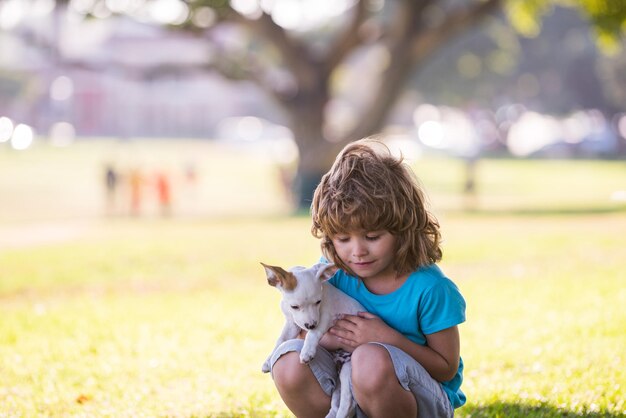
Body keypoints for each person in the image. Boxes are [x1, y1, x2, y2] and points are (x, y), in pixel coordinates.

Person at [267, 138, 466, 418]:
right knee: (288, 361)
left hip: (420, 401)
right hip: (346, 389)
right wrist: (331, 339)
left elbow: (445, 367)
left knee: (369, 358)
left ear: (403, 228)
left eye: (373, 237)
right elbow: (303, 330)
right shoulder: (330, 274)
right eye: (343, 238)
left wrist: (387, 339)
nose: (357, 251)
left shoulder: (430, 288)